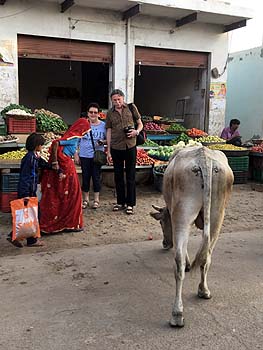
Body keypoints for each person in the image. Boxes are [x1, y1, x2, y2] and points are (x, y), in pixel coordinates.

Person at [39, 118, 90, 234]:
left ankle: (68, 222)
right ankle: (69, 223)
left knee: (66, 194)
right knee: (73, 194)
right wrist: (55, 162)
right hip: (65, 165)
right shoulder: (73, 137)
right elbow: (55, 142)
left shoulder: (74, 137)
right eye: (86, 129)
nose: (87, 131)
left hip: (67, 164)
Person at [7, 133, 56, 248]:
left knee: (30, 215)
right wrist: (25, 195)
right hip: (27, 191)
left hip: (30, 190)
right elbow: (25, 177)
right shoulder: (29, 158)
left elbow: (42, 164)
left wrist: (52, 166)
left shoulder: (34, 156)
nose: (42, 147)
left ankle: (23, 238)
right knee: (34, 215)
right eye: (41, 145)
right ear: (36, 145)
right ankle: (28, 239)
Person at [106, 89, 143, 215]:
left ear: (123, 98)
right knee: (118, 176)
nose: (117, 102)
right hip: (116, 147)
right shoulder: (110, 113)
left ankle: (130, 204)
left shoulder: (131, 108)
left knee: (131, 176)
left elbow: (140, 124)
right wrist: (109, 150)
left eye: (118, 99)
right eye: (114, 100)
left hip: (130, 146)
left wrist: (136, 132)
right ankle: (120, 202)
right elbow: (109, 131)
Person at [74, 103, 106, 209]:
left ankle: (96, 200)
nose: (93, 114)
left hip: (97, 156)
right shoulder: (83, 124)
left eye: (95, 112)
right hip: (84, 155)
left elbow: (109, 139)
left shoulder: (103, 125)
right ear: (88, 113)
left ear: (99, 114)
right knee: (86, 177)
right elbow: (76, 140)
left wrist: (103, 141)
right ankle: (85, 199)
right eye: (91, 112)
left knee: (96, 178)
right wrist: (76, 154)